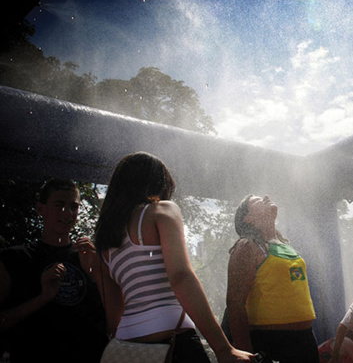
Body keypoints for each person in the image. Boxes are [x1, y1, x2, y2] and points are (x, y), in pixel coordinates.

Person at [94, 152, 254, 363]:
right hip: (172, 339)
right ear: (159, 184)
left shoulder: (103, 241)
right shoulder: (161, 211)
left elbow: (114, 314)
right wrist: (223, 349)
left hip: (127, 349)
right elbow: (180, 276)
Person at [0, 179, 108, 362]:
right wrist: (42, 298)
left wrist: (94, 272)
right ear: (40, 209)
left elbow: (115, 317)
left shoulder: (90, 257)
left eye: (74, 207)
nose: (67, 213)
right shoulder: (14, 259)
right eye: (59, 206)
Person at [226, 194, 319, 363]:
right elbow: (235, 303)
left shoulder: (287, 246)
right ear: (248, 218)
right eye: (257, 199)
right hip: (271, 343)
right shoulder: (247, 246)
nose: (266, 196)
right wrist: (245, 353)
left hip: (305, 341)